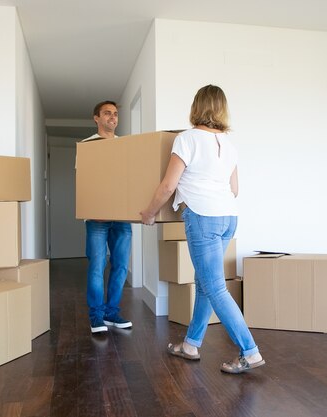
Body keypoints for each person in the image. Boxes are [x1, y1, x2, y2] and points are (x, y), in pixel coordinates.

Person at [140, 85, 265, 374]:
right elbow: (234, 188)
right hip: (227, 218)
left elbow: (168, 186)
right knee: (206, 283)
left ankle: (250, 351)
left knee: (214, 287)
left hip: (203, 218)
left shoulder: (187, 139)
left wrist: (149, 213)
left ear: (196, 107)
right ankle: (191, 344)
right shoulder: (229, 145)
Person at [82, 100, 133, 334]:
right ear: (96, 118)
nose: (112, 117)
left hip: (122, 216)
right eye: (107, 113)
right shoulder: (87, 146)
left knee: (121, 266)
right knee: (97, 266)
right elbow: (83, 182)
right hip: (96, 218)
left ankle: (112, 312)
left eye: (115, 114)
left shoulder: (126, 146)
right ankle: (96, 315)